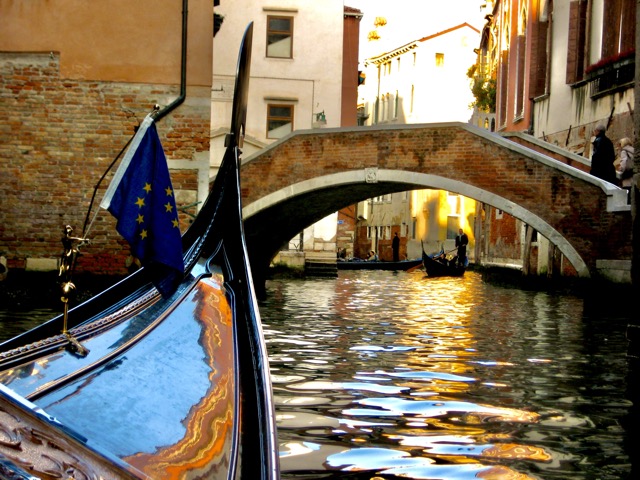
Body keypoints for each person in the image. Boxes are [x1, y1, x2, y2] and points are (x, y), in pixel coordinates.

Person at [616, 137, 634, 202]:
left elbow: (624, 163)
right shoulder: (634, 150)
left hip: (627, 177)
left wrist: (621, 169)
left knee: (627, 198)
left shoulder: (624, 151)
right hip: (633, 176)